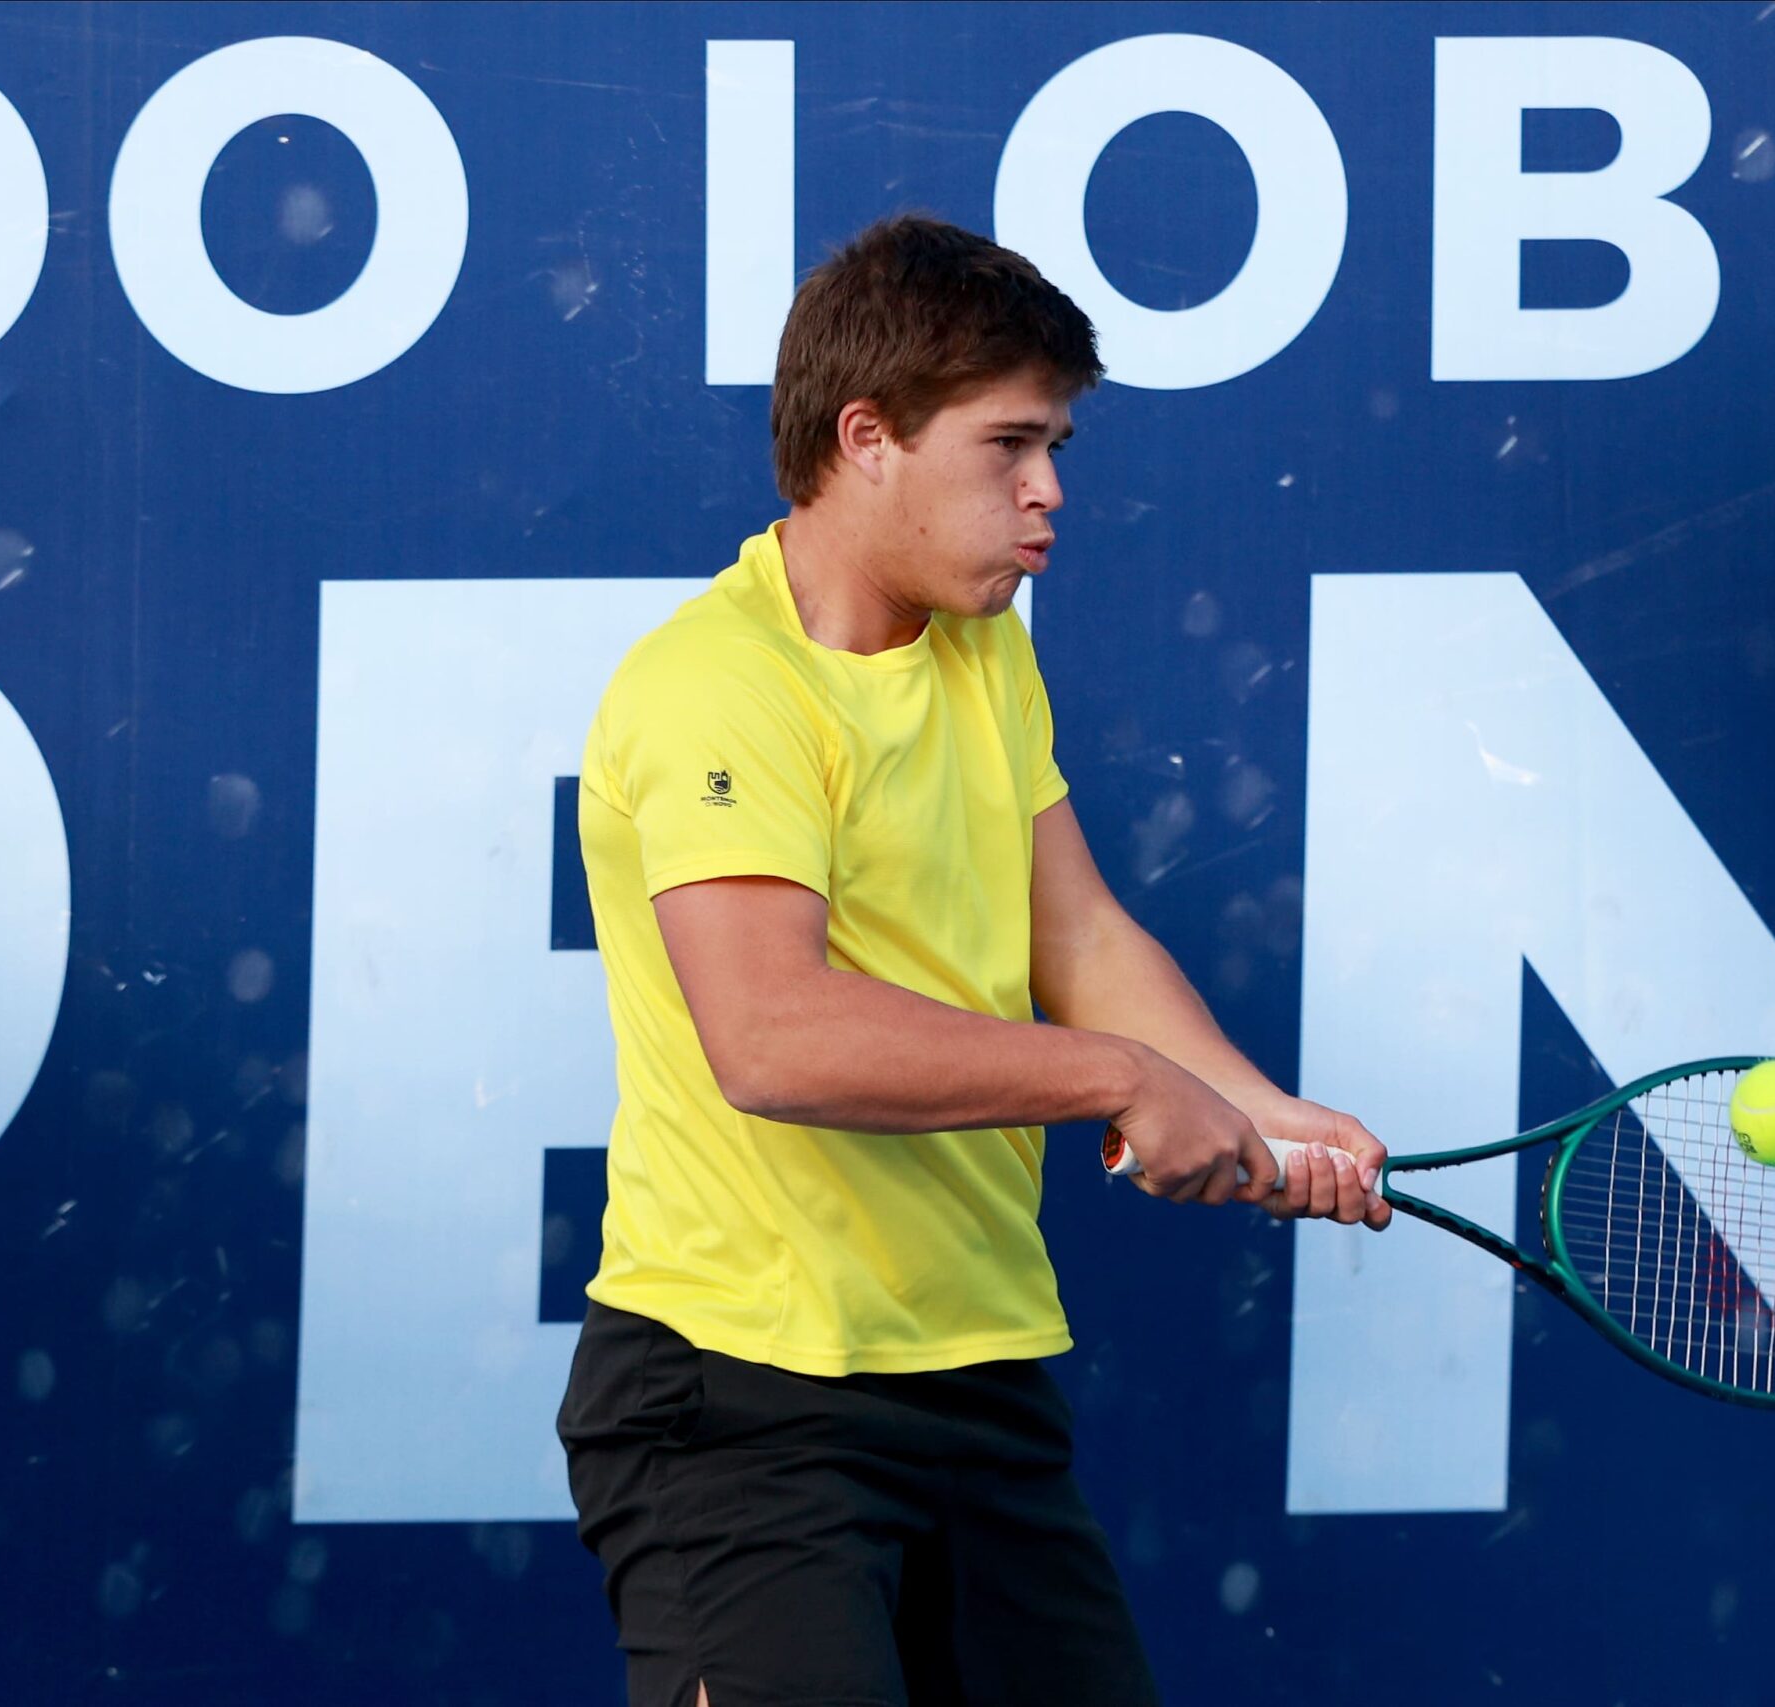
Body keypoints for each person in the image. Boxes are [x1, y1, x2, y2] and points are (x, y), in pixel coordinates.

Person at [557, 213, 1391, 1707]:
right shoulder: (714, 690)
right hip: (747, 1405)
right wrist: (1119, 1081)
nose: (1049, 493)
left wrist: (1249, 1101)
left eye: (1057, 446)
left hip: (975, 1379)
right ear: (865, 436)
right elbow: (773, 1037)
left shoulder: (983, 649)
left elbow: (1072, 932)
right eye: (1009, 446)